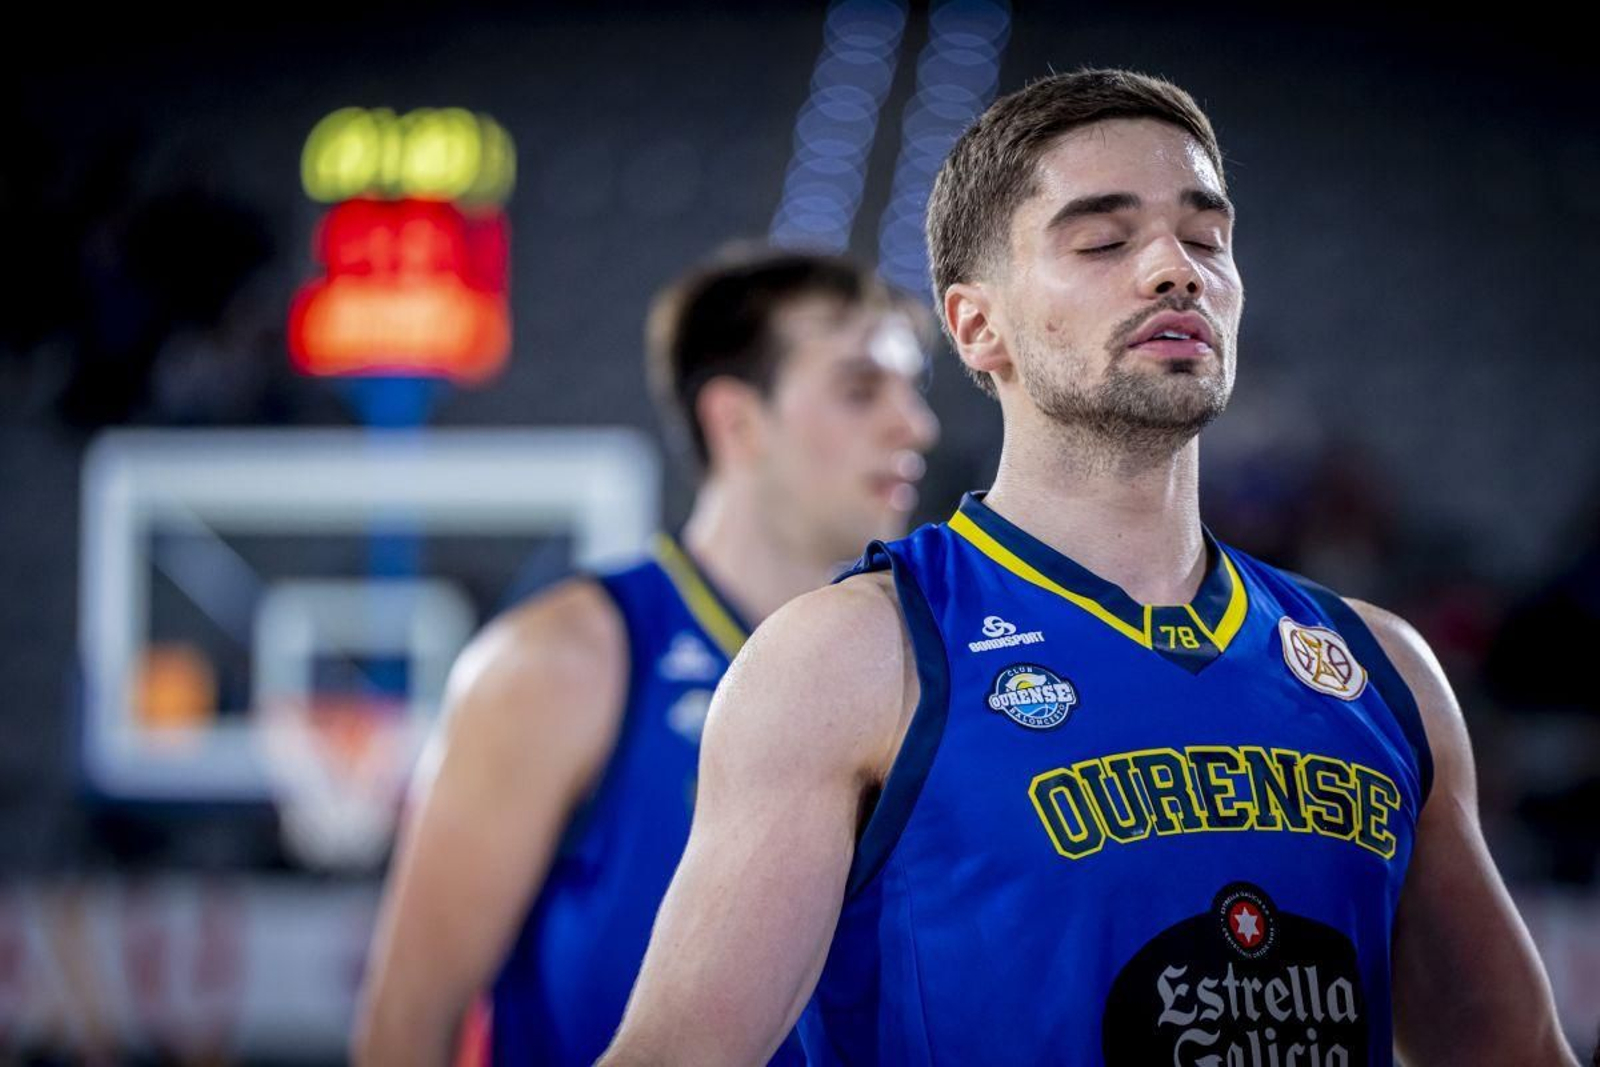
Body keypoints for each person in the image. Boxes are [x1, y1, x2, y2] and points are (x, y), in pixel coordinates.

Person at [600, 70, 1577, 1066]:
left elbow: (1514, 1053)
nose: (1174, 269)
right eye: (1104, 239)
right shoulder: (851, 656)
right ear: (977, 325)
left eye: (1204, 238)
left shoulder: (1380, 665)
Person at [353, 246, 939, 1066]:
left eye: (912, 389)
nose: (915, 424)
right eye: (860, 389)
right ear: (736, 421)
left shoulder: (928, 655)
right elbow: (405, 1028)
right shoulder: (557, 662)